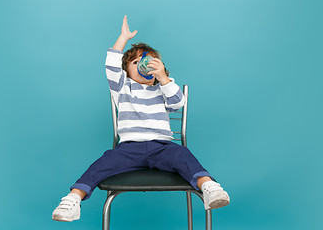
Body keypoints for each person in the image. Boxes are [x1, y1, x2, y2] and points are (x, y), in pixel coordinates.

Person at [52, 15, 230, 222]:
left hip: (162, 147)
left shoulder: (163, 87)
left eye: (149, 61)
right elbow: (111, 65)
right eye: (135, 62)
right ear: (126, 71)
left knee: (182, 154)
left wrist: (164, 79)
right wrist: (123, 38)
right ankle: (73, 199)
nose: (143, 64)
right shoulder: (122, 87)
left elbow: (177, 103)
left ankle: (210, 187)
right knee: (102, 163)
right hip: (129, 149)